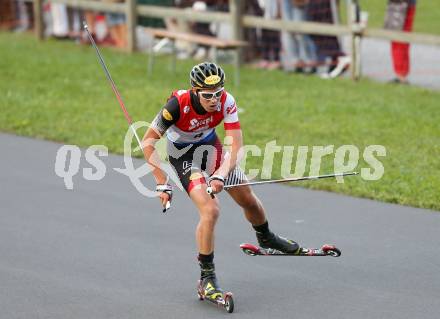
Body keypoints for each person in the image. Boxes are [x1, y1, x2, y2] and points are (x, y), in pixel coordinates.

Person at [142, 62, 300, 300]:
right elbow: (147, 142)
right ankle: (206, 277)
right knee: (211, 209)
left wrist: (220, 174)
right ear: (195, 91)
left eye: (218, 93)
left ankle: (266, 237)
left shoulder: (227, 101)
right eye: (208, 95)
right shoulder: (177, 105)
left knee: (247, 197)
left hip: (210, 147)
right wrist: (161, 181)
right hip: (182, 155)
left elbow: (236, 147)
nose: (214, 99)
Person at [384, 0, 417, 84]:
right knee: (399, 40)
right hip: (402, 5)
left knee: (399, 39)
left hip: (401, 5)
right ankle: (401, 74)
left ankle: (401, 75)